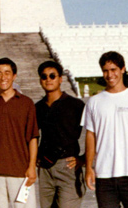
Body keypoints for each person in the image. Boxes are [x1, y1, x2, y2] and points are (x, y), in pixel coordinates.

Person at [83, 51, 128, 208]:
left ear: (122, 69)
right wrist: (88, 168)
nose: (110, 75)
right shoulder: (93, 102)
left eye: (113, 69)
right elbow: (90, 137)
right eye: (105, 71)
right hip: (104, 176)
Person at [0, 57, 39, 208]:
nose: (3, 77)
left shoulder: (26, 103)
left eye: (7, 73)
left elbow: (33, 138)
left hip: (21, 171)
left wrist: (32, 167)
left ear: (14, 76)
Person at [35, 60, 85, 208]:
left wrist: (83, 159)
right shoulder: (38, 107)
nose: (48, 80)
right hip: (45, 168)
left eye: (52, 76)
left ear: (60, 79)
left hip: (68, 166)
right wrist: (35, 157)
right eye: (44, 76)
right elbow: (32, 135)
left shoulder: (76, 105)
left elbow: (93, 133)